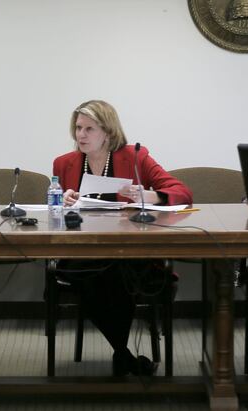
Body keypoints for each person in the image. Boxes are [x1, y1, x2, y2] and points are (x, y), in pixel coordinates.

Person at [53, 99, 192, 376]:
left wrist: (149, 195)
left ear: (108, 131)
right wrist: (63, 200)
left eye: (89, 129)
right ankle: (123, 353)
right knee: (100, 272)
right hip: (80, 252)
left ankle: (122, 353)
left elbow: (182, 193)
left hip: (128, 250)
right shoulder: (64, 163)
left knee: (114, 271)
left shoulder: (136, 157)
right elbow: (53, 210)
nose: (80, 134)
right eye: (78, 128)